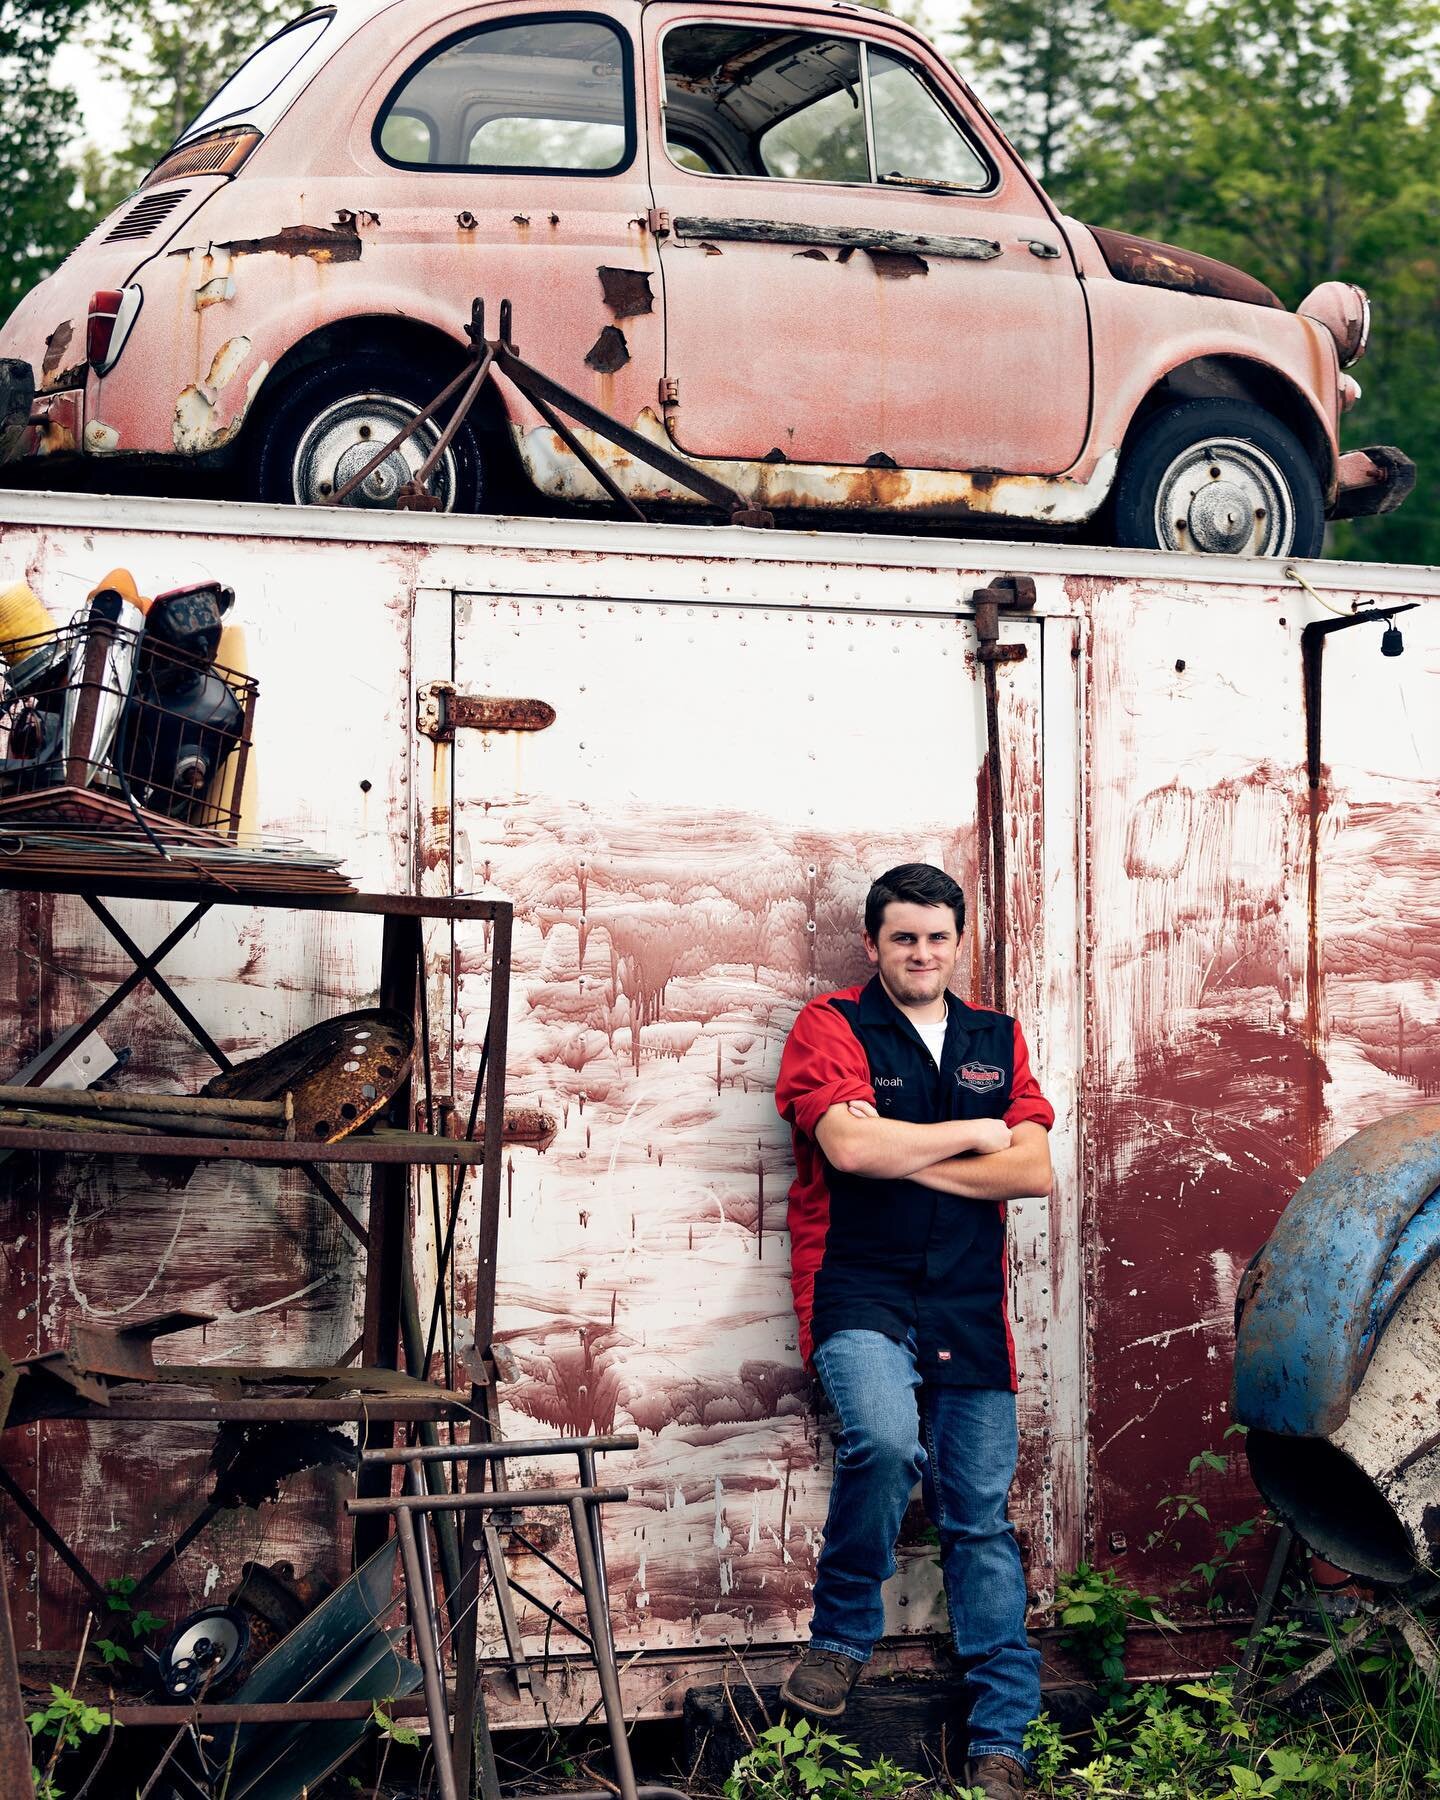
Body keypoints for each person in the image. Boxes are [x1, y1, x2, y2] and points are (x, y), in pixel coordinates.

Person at [773, 862, 1054, 1800]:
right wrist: (976, 1134)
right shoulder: (832, 1025)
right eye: (903, 938)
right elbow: (848, 1148)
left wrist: (909, 1154)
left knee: (978, 1520)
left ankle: (1001, 1740)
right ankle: (841, 1637)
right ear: (873, 944)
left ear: (958, 942)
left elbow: (1032, 1173)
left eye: (937, 937)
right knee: (886, 1443)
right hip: (859, 1286)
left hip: (969, 1302)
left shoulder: (996, 1038)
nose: (922, 953)